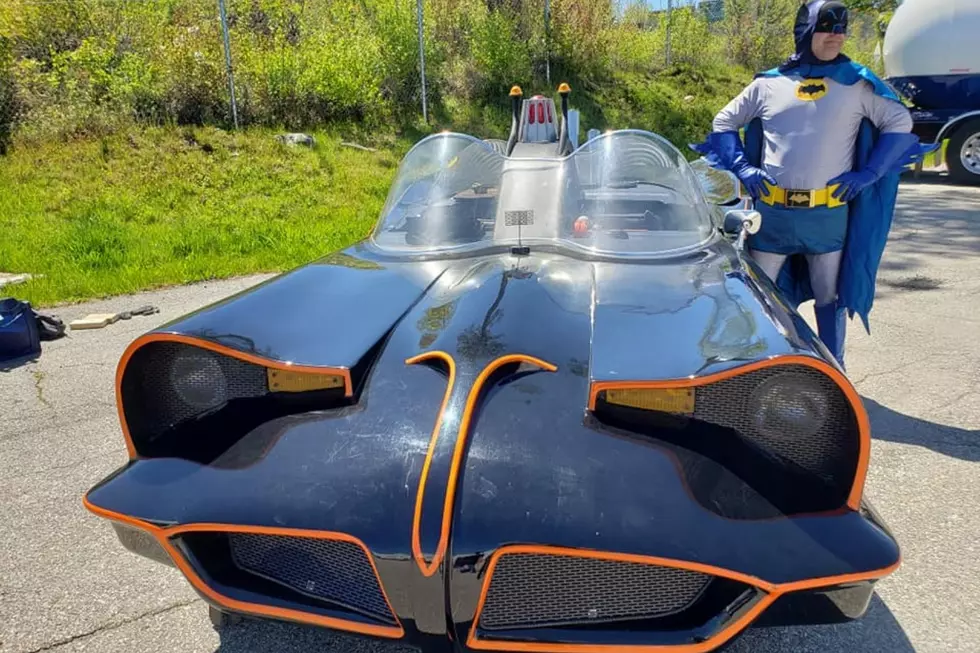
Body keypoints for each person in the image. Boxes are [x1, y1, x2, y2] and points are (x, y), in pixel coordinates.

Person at [691, 0, 933, 369]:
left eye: (841, 27)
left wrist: (867, 175)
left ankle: (833, 367)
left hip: (827, 216)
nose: (836, 35)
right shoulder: (769, 83)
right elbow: (724, 121)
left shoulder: (856, 83)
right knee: (761, 299)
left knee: (829, 297)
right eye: (826, 26)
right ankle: (763, 366)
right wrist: (742, 167)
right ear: (806, 30)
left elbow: (899, 123)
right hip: (772, 215)